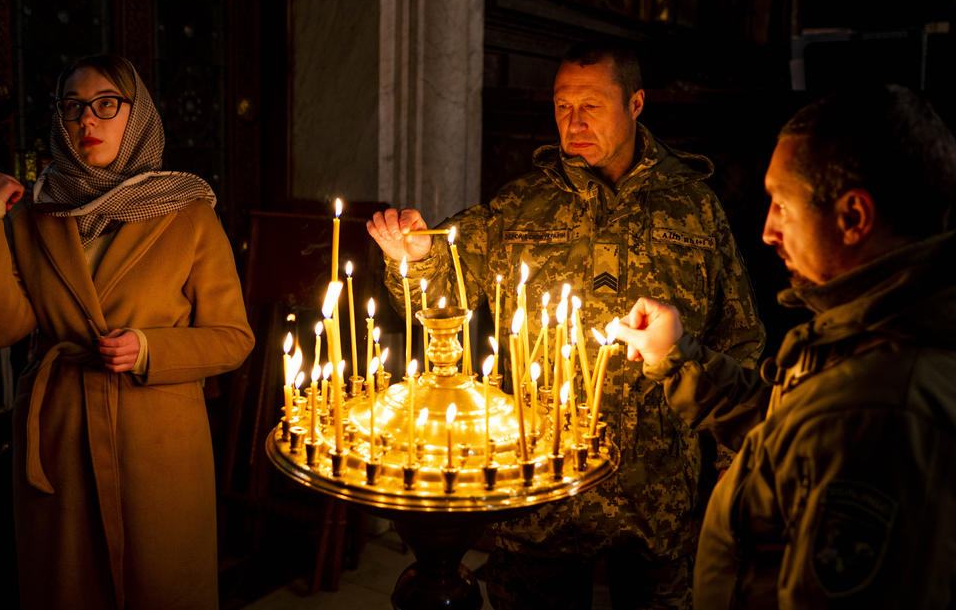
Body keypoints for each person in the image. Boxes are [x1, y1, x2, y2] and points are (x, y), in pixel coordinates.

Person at [366, 39, 765, 609]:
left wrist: (733, 484)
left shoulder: (693, 206)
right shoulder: (522, 204)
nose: (572, 123)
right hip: (542, 491)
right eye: (561, 107)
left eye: (591, 106)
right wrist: (412, 257)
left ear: (635, 103)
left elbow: (740, 340)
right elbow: (444, 290)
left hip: (656, 488)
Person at [615, 84, 956, 608]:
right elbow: (789, 431)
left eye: (782, 205)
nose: (768, 231)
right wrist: (678, 356)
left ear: (853, 218)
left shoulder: (881, 412)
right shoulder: (869, 329)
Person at [0, 54, 254, 610]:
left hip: (159, 441)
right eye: (73, 108)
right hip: (59, 434)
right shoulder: (34, 211)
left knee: (162, 588)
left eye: (105, 105)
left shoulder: (186, 210)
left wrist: (149, 348)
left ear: (136, 116)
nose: (86, 122)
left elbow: (233, 337)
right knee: (67, 587)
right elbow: (0, 328)